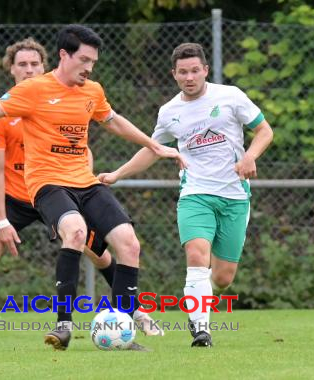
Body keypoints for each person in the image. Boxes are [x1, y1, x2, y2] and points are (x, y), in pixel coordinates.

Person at [0, 25, 184, 350]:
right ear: (64, 55)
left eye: (93, 61)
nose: (89, 67)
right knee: (76, 232)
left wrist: (154, 146)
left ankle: (123, 331)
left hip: (85, 180)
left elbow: (112, 121)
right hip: (48, 183)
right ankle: (64, 326)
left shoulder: (92, 90)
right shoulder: (34, 89)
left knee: (129, 244)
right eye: (84, 59)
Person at [0, 38, 133, 340]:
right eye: (22, 65)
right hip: (17, 199)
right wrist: (1, 220)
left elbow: (80, 147)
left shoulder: (64, 97)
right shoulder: (3, 114)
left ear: (45, 65)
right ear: (11, 69)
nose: (29, 69)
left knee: (99, 253)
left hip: (58, 193)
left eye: (34, 64)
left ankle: (134, 314)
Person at [98, 43, 274, 348]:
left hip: (234, 196)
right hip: (196, 194)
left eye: (195, 70)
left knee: (222, 278)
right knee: (196, 255)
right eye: (183, 72)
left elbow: (265, 131)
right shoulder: (169, 112)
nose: (189, 77)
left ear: (205, 70)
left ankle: (200, 297)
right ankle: (201, 327)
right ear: (174, 74)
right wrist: (116, 174)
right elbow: (152, 150)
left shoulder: (229, 96)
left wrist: (250, 156)